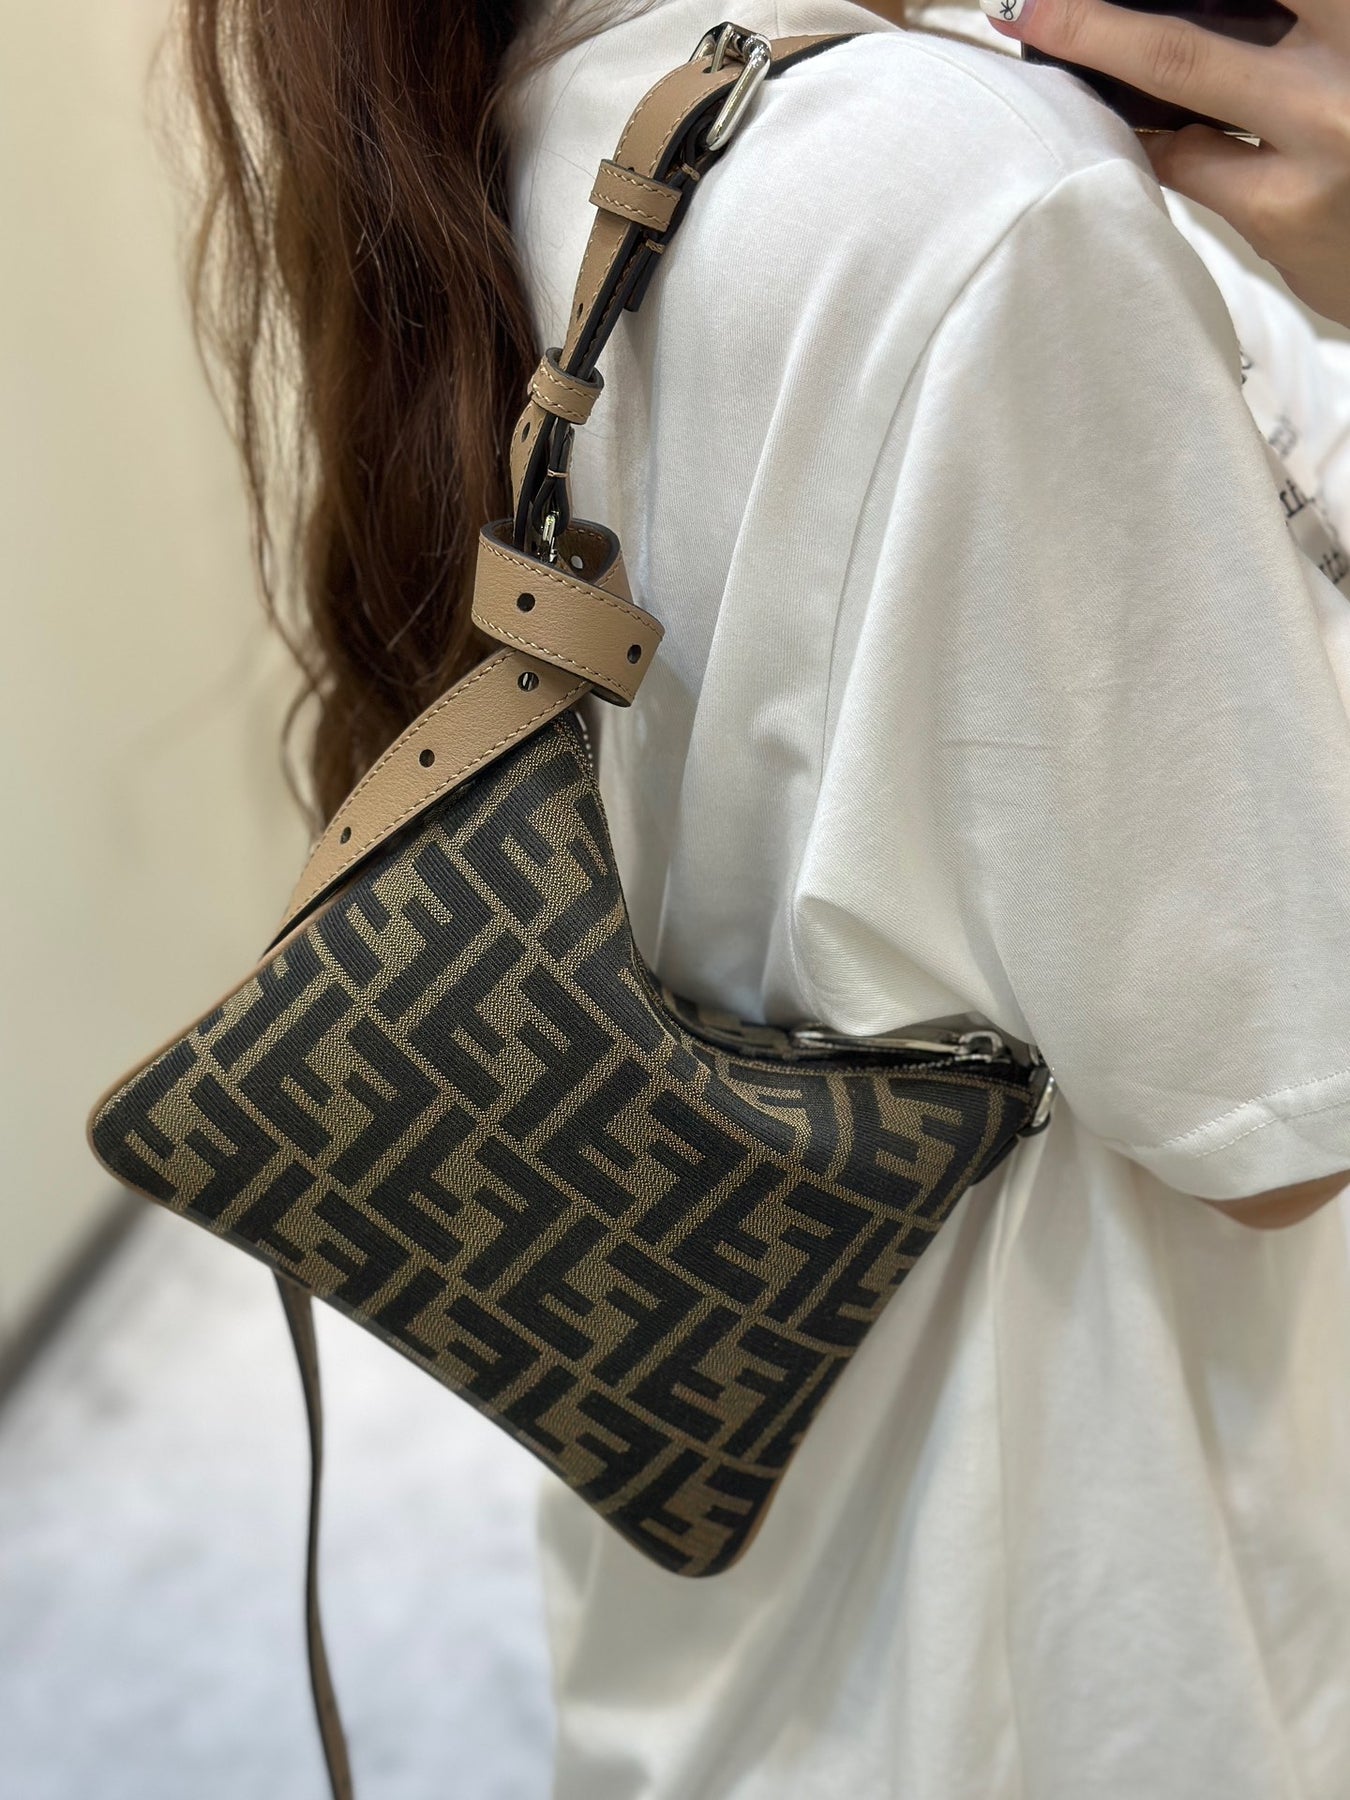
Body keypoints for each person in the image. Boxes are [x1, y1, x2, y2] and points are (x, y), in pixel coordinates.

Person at [175, 0, 1350, 1792]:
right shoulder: (975, 189)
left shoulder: (552, 96)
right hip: (1072, 1626)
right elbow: (1271, 1127)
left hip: (738, 1600)